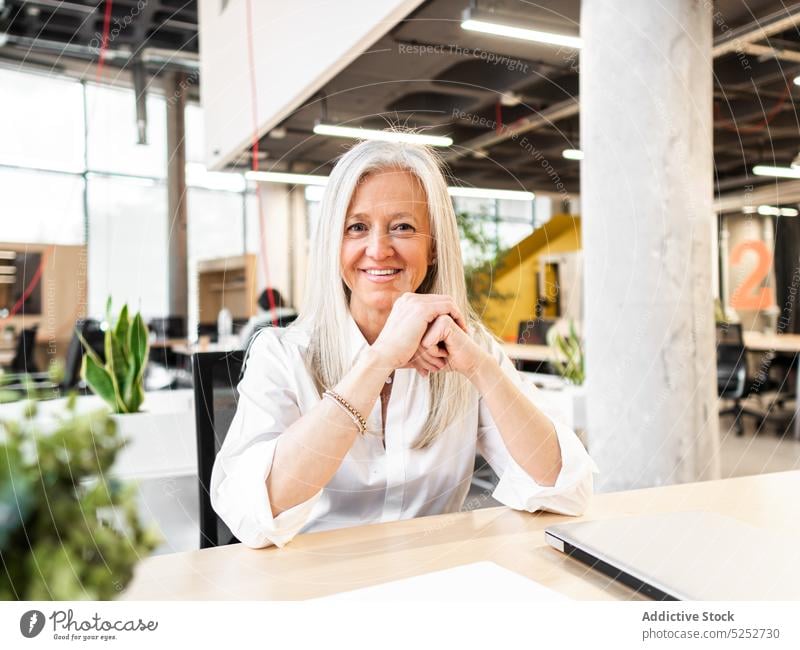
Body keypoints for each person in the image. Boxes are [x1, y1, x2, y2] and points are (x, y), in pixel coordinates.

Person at [211, 137, 599, 549]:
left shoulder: (466, 347)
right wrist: (378, 361)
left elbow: (565, 489)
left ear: (432, 248)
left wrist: (481, 370)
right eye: (356, 227)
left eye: (403, 227)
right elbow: (249, 514)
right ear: (333, 244)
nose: (378, 250)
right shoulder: (283, 354)